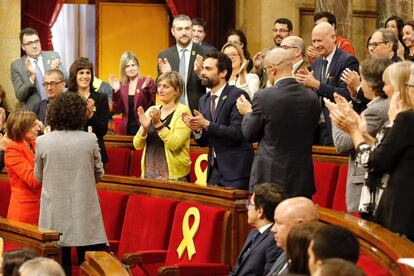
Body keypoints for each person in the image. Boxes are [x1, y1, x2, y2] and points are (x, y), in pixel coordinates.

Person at [326, 62, 414, 241]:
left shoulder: (406, 118)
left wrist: (354, 131)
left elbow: (373, 162)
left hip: (400, 208)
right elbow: (388, 152)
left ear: (400, 87)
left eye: (387, 83)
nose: (384, 88)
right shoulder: (401, 116)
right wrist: (365, 135)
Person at [34, 93, 108, 275]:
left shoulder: (42, 141)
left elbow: (38, 177)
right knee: (89, 265)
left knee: (58, 266)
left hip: (54, 210)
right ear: (79, 114)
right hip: (85, 208)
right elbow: (99, 173)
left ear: (54, 114)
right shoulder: (90, 139)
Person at [238, 47, 320, 196]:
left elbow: (250, 134)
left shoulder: (264, 97)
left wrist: (248, 112)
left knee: (271, 219)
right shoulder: (311, 97)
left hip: (270, 180)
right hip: (301, 178)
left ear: (272, 69)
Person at [182, 51, 254, 190]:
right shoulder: (204, 100)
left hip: (236, 171)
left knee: (239, 209)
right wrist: (197, 129)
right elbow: (204, 142)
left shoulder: (237, 95)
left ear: (223, 73)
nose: (202, 72)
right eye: (203, 68)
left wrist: (207, 124)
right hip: (213, 171)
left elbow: (238, 133)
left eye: (208, 69)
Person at [332, 57, 393, 213]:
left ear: (371, 84)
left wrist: (336, 114)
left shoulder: (377, 110)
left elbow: (342, 145)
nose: (360, 83)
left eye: (362, 79)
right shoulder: (378, 106)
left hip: (368, 187)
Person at [295, 22, 359, 146]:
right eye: (314, 41)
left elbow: (346, 95)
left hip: (336, 129)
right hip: (315, 130)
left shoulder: (347, 60)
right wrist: (307, 87)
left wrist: (316, 84)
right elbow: (316, 93)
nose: (316, 45)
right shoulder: (317, 63)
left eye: (320, 41)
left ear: (333, 38)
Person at [133, 71, 191, 181]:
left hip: (173, 178)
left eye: (166, 86)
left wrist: (159, 125)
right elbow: (137, 145)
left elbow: (175, 144)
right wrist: (144, 128)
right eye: (159, 86)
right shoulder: (152, 109)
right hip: (149, 175)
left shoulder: (183, 111)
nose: (160, 90)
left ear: (177, 90)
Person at [230, 183, 287, 276]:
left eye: (250, 203)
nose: (247, 207)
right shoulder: (254, 233)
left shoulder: (274, 240)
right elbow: (235, 271)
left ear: (260, 211)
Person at [158, 14, 210, 112]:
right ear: (173, 31)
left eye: (187, 28)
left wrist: (200, 74)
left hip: (200, 111)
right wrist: (166, 76)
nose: (184, 33)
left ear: (191, 30)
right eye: (180, 29)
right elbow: (160, 88)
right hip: (173, 112)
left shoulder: (206, 53)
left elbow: (215, 84)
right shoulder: (165, 55)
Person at [11, 27, 66, 111]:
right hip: (33, 113)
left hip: (58, 108)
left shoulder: (53, 56)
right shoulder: (17, 65)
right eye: (29, 43)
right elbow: (20, 96)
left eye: (36, 41)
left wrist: (56, 72)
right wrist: (32, 77)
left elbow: (68, 80)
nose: (34, 46)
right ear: (23, 47)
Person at [67, 57, 110, 164]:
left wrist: (91, 116)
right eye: (81, 73)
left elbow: (103, 130)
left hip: (95, 152)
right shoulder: (67, 98)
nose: (85, 76)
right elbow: (64, 126)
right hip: (72, 151)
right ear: (75, 76)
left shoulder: (101, 98)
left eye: (88, 73)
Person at [4, 110, 41, 224]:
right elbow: (33, 180)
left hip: (42, 207)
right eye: (33, 125)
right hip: (25, 212)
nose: (38, 129)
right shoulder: (12, 149)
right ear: (21, 127)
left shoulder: (36, 145)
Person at [267, 197, 319, 276]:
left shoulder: (308, 264)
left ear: (301, 225)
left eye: (279, 223)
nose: (273, 229)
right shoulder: (287, 251)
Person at [109, 51, 156, 135]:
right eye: (127, 66)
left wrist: (144, 90)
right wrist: (116, 92)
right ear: (123, 69)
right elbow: (117, 110)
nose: (131, 69)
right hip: (125, 131)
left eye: (133, 65)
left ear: (137, 66)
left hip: (145, 129)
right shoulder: (121, 85)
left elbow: (150, 107)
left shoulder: (148, 82)